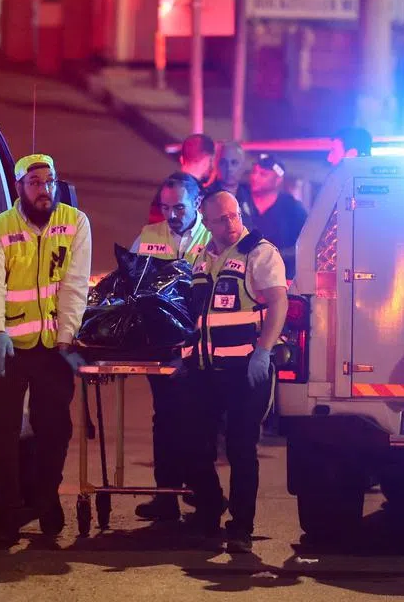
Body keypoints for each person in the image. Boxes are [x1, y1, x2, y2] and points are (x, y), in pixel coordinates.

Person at [0, 153, 92, 544]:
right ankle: (7, 513)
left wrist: (67, 335)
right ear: (19, 188)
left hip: (54, 346)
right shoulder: (0, 227)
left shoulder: (75, 222)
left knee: (54, 430)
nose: (44, 190)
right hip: (10, 346)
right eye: (35, 183)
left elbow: (75, 284)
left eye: (49, 181)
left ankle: (47, 500)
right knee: (2, 433)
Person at [180, 191, 288, 554]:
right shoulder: (201, 257)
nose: (231, 223)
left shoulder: (259, 252)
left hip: (245, 370)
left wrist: (264, 351)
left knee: (241, 449)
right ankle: (209, 509)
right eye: (222, 219)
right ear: (207, 223)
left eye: (234, 215)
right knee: (195, 444)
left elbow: (278, 302)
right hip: (204, 368)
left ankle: (241, 527)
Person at [129, 173, 211, 522]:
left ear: (197, 203)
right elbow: (130, 281)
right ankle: (166, 495)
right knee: (164, 418)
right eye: (165, 208)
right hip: (162, 344)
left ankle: (203, 495)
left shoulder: (213, 237)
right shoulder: (149, 236)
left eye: (179, 207)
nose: (172, 215)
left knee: (199, 420)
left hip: (202, 344)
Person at [246, 153, 307, 281]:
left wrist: (275, 254)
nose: (255, 177)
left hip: (280, 278)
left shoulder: (293, 209)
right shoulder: (241, 201)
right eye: (254, 172)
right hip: (245, 276)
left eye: (263, 174)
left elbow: (306, 245)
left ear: (278, 179)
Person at [206, 141, 253, 216]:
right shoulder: (206, 197)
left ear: (243, 166)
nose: (229, 168)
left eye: (234, 163)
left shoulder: (251, 196)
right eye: (223, 162)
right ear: (216, 165)